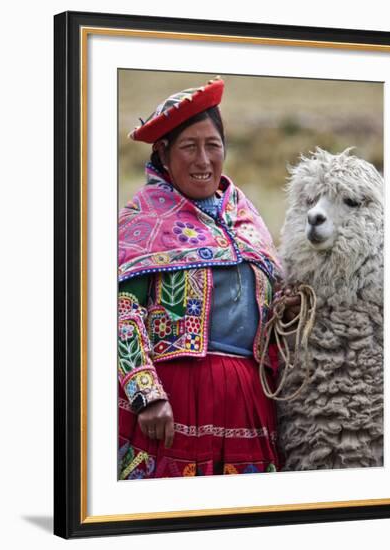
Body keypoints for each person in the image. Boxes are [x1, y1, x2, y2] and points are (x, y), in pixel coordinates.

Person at [117, 77, 300, 479]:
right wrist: (145, 394)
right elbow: (121, 312)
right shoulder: (142, 219)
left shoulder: (245, 217)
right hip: (174, 400)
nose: (203, 159)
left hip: (249, 401)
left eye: (212, 145)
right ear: (163, 154)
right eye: (189, 146)